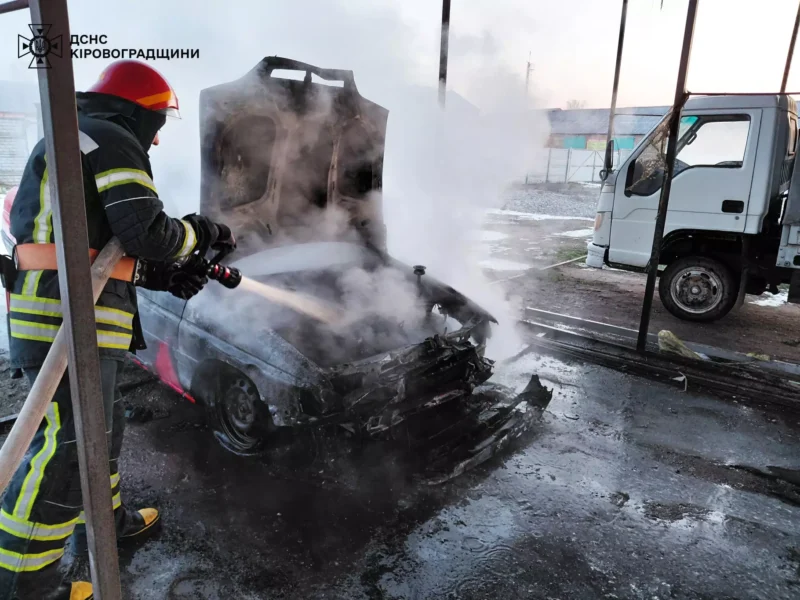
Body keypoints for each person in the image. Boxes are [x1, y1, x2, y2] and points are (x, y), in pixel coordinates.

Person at [0, 60, 234, 600]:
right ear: (140, 112)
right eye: (159, 124)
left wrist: (163, 276)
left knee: (101, 433)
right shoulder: (108, 135)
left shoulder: (81, 134)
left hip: (68, 313)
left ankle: (106, 525)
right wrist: (200, 231)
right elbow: (147, 231)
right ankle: (22, 581)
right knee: (68, 445)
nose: (156, 141)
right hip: (63, 321)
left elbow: (101, 248)